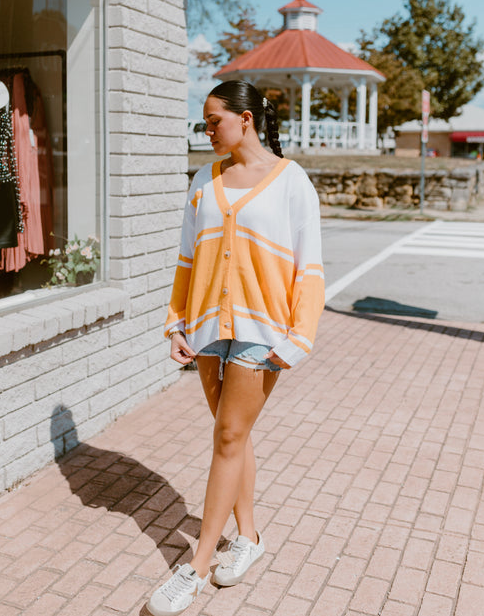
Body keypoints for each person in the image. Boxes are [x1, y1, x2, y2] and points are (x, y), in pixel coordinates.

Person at [147, 81, 325, 616]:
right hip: (206, 327)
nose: (205, 130)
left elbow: (309, 268)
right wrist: (176, 322)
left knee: (227, 436)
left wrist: (299, 339)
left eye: (212, 121)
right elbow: (186, 258)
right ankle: (247, 535)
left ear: (244, 119)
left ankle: (197, 565)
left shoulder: (292, 183)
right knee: (234, 435)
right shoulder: (204, 180)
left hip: (261, 330)